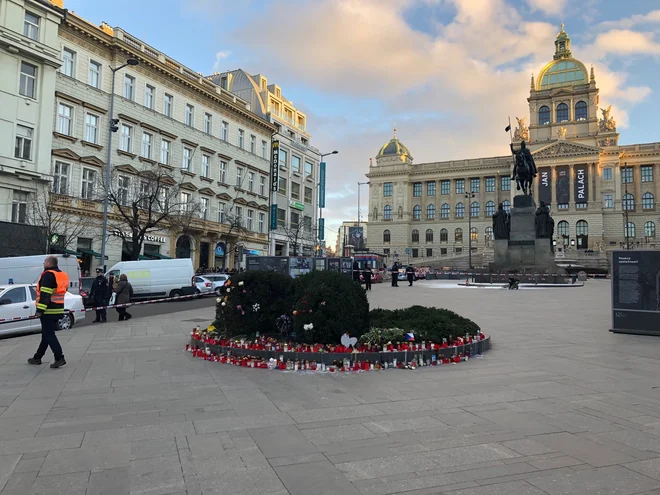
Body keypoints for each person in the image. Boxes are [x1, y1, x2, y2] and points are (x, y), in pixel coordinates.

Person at [28, 256, 69, 369]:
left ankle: (59, 357)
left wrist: (40, 310)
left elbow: (45, 294)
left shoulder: (48, 275)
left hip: (48, 309)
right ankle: (37, 357)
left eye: (45, 261)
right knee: (46, 334)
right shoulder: (62, 275)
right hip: (58, 308)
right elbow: (64, 290)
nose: (43, 263)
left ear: (50, 263)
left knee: (49, 334)